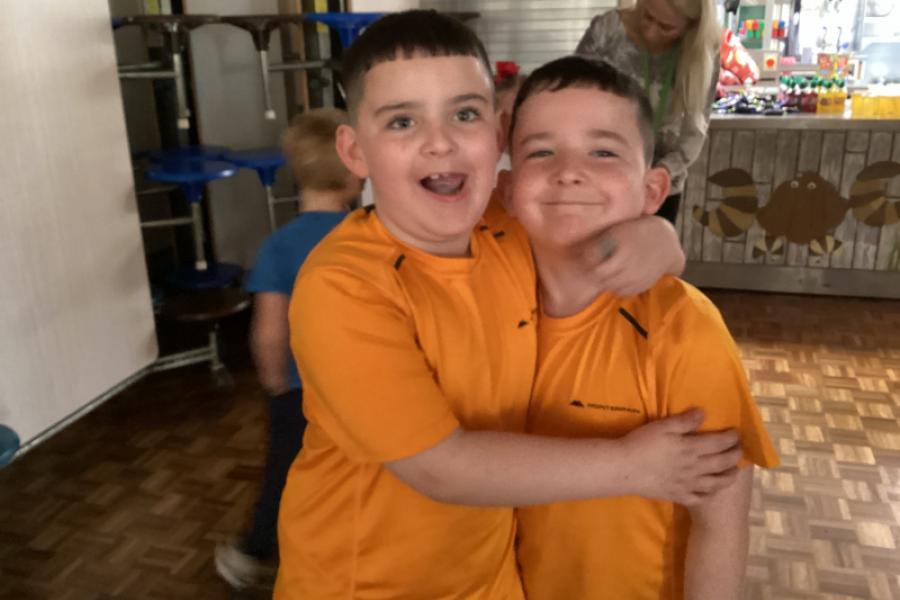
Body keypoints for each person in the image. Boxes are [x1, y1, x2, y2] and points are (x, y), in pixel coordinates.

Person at [276, 11, 743, 599]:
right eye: (402, 121)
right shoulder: (342, 287)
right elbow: (439, 467)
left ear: (497, 133)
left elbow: (573, 205)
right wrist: (635, 467)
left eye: (464, 114)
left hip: (491, 579)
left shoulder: (506, 225)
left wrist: (659, 236)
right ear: (354, 151)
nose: (440, 141)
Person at [503, 56, 779, 600]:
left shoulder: (683, 329)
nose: (569, 171)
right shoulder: (484, 300)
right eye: (541, 151)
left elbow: (721, 523)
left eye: (603, 152)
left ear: (653, 191)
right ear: (508, 190)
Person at [214, 107, 364, 590]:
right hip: (363, 387)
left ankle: (254, 551)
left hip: (301, 392)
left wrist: (274, 380)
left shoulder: (278, 247)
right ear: (355, 171)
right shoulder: (370, 236)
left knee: (287, 473)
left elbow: (269, 331)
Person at [576, 0, 721, 224]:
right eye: (647, 15)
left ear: (690, 27)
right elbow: (573, 100)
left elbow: (694, 132)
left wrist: (663, 171)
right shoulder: (609, 30)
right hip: (602, 176)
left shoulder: (702, 52)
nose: (651, 32)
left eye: (666, 27)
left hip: (658, 187)